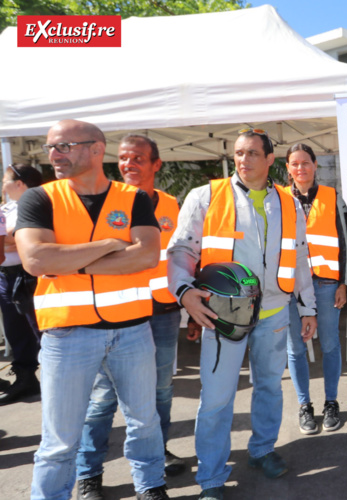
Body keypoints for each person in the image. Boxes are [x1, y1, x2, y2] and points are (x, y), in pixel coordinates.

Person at [16, 120, 166, 500]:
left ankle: (151, 487)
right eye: (51, 147)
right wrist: (110, 244)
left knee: (144, 421)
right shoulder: (39, 198)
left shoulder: (133, 198)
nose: (54, 155)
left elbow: (148, 254)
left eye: (63, 146)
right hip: (67, 336)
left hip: (132, 330)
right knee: (59, 439)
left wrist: (70, 263)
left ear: (96, 149)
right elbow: (35, 259)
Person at [167, 128, 316, 500]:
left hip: (275, 311)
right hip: (223, 316)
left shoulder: (288, 202)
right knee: (217, 398)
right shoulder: (206, 196)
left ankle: (262, 449)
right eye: (238, 153)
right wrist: (184, 292)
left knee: (268, 386)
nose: (243, 159)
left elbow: (299, 257)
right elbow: (180, 250)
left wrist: (307, 305)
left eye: (252, 153)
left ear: (269, 160)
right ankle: (212, 478)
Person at [75, 135, 186, 500]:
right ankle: (88, 472)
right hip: (118, 314)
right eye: (123, 158)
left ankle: (157, 454)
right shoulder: (108, 202)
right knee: (104, 397)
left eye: (138, 158)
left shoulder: (172, 205)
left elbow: (183, 258)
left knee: (161, 392)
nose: (129, 164)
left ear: (156, 164)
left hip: (163, 313)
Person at [285, 143, 347, 434]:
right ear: (288, 168)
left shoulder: (332, 196)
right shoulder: (278, 199)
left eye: (306, 163)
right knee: (296, 348)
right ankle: (304, 406)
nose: (301, 168)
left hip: (325, 284)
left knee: (331, 345)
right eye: (295, 164)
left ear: (315, 165)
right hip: (289, 287)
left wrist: (343, 282)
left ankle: (331, 403)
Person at [0, 164, 42, 406]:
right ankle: (25, 378)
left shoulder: (35, 205)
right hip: (7, 274)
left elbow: (15, 240)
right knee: (16, 330)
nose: (3, 185)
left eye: (6, 180)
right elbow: (7, 241)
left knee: (39, 329)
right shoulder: (8, 207)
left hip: (25, 275)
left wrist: (10, 239)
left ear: (20, 184)